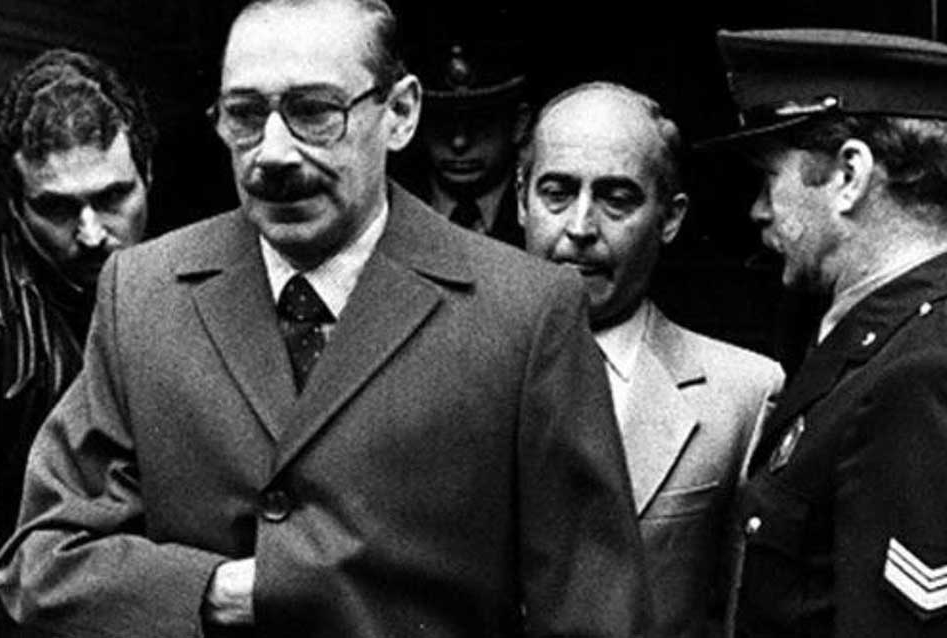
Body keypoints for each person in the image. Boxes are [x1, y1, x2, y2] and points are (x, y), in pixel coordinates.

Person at [0, 1, 652, 636]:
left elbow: (593, 611)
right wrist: (216, 592)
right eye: (245, 115)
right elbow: (43, 559)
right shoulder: (143, 294)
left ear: (400, 113)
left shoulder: (526, 312)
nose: (272, 152)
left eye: (314, 112)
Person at [704, 28, 947, 636]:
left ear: (849, 176)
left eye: (771, 178)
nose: (760, 210)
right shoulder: (886, 345)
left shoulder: (916, 374)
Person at [518, 81, 783, 638]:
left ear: (670, 217)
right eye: (557, 193)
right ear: (522, 200)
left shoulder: (743, 394)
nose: (581, 227)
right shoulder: (446, 369)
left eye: (617, 199)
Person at [0, 48, 155, 637]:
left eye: (112, 198)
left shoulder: (188, 287)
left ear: (148, 176)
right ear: (16, 207)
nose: (89, 233)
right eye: (56, 208)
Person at [396, 36, 528, 246]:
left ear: (519, 123)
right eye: (442, 122)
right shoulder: (390, 206)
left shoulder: (536, 212)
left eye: (480, 123)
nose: (459, 142)